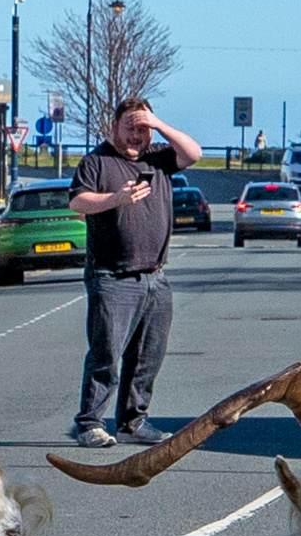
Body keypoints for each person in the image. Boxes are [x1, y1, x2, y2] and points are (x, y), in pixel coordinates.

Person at [70, 96, 202, 445]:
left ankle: (132, 423)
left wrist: (157, 124)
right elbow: (78, 201)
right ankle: (89, 424)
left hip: (155, 277)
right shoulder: (96, 161)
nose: (136, 135)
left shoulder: (158, 158)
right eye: (129, 127)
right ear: (114, 126)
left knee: (148, 356)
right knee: (106, 354)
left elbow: (194, 153)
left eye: (142, 129)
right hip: (112, 276)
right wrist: (117, 198)